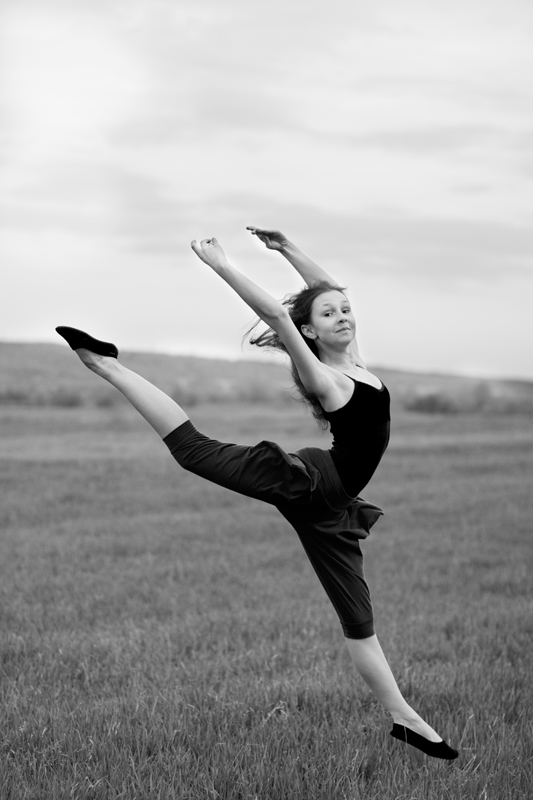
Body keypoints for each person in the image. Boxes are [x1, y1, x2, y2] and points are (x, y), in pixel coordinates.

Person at [55, 226, 458, 760]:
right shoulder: (329, 380)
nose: (343, 316)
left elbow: (328, 289)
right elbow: (277, 316)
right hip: (309, 483)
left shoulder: (356, 362)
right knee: (193, 450)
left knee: (360, 625)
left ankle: (405, 720)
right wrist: (222, 265)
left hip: (333, 509)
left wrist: (287, 249)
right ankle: (103, 363)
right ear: (310, 332)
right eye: (330, 315)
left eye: (346, 310)